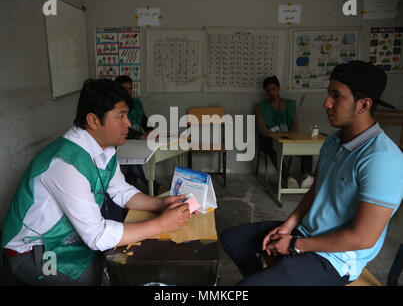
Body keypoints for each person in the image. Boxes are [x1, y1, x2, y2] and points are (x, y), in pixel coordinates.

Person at [220, 60, 403, 286]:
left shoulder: (382, 159)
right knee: (232, 239)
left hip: (335, 257)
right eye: (329, 94)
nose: (326, 103)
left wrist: (295, 245)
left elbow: (362, 238)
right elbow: (315, 190)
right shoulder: (333, 141)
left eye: (337, 96)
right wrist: (288, 226)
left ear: (363, 105)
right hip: (305, 232)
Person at [1, 79, 191, 286]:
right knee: (97, 276)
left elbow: (121, 190)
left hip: (68, 241)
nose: (128, 123)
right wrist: (161, 223)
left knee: (120, 261)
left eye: (127, 115)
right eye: (120, 116)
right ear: (93, 120)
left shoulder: (105, 147)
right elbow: (97, 236)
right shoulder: (65, 164)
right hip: (34, 252)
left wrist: (160, 204)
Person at [256, 76, 314, 189]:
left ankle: (306, 176)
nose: (271, 92)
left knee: (307, 148)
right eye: (268, 90)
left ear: (278, 88)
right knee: (271, 148)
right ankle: (288, 178)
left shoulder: (289, 104)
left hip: (289, 138)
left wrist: (289, 137)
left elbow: (295, 124)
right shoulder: (261, 107)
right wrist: (276, 138)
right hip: (271, 139)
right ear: (265, 92)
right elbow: (262, 129)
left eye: (274, 89)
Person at [114, 75, 164, 195]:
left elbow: (144, 121)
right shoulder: (113, 106)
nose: (128, 92)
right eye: (124, 89)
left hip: (136, 142)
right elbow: (121, 128)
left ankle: (129, 181)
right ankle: (156, 188)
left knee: (152, 154)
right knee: (135, 163)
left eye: (130, 89)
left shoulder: (136, 103)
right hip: (121, 143)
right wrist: (140, 136)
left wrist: (152, 131)